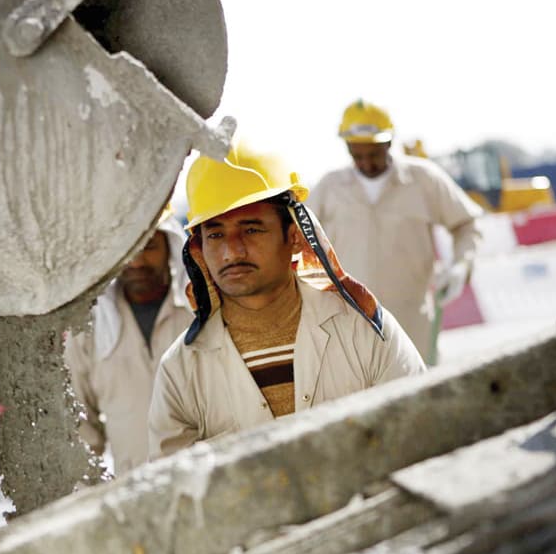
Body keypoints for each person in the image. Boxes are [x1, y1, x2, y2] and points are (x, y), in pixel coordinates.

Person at [147, 142, 425, 459]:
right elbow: (170, 481)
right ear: (199, 248)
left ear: (293, 237)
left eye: (251, 229)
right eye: (215, 234)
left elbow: (421, 430)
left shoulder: (363, 330)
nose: (232, 251)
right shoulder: (181, 370)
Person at [310, 99, 483, 362]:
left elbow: (467, 224)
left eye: (373, 154)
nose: (366, 163)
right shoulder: (329, 188)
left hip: (413, 324)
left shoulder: (424, 180)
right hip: (351, 327)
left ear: (389, 143)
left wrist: (461, 265)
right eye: (357, 156)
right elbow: (301, 242)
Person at [64, 208, 191, 474]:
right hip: (135, 488)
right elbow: (79, 429)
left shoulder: (198, 313)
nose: (137, 262)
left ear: (170, 246)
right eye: (128, 248)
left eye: (149, 246)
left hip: (206, 482)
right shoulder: (88, 329)